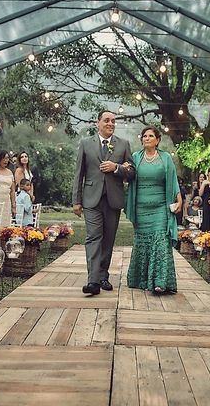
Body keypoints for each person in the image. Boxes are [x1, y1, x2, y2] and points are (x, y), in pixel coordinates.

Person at [72, 110, 135, 296]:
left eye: (113, 121)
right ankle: (92, 281)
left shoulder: (123, 144)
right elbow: (79, 174)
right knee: (93, 237)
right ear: (97, 122)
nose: (110, 123)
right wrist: (76, 200)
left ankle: (102, 276)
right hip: (91, 199)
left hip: (113, 200)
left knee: (108, 239)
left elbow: (132, 172)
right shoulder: (85, 143)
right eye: (106, 120)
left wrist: (116, 168)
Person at [126, 126, 182, 294]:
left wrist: (179, 199)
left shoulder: (165, 158)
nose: (147, 138)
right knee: (142, 243)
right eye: (144, 136)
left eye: (151, 136)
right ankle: (140, 279)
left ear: (157, 140)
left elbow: (173, 180)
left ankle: (160, 282)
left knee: (160, 241)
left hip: (160, 209)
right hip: (141, 209)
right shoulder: (135, 157)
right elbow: (126, 174)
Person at [0, 150, 16, 227]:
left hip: (6, 201)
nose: (5, 161)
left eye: (7, 158)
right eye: (3, 158)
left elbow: (12, 191)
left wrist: (13, 206)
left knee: (4, 225)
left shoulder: (10, 172)